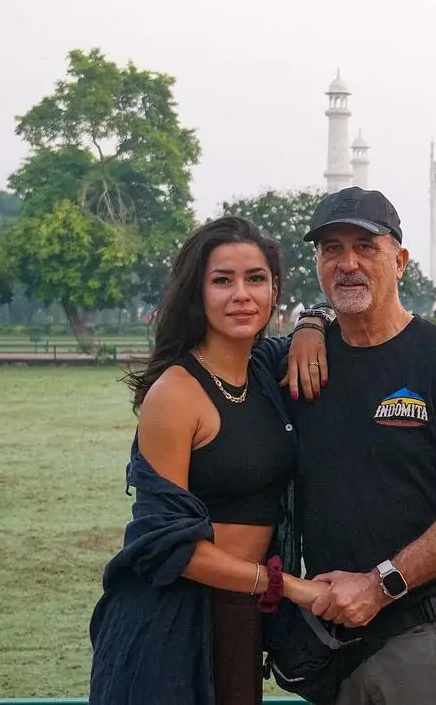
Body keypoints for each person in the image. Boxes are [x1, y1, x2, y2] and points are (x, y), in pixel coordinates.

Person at [258, 187, 436, 704]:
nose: (347, 263)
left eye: (365, 247)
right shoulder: (301, 364)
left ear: (399, 261)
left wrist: (380, 586)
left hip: (429, 632)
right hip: (337, 637)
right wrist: (312, 320)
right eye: (331, 249)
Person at [89, 217, 329, 705]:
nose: (241, 295)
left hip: (240, 615)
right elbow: (165, 545)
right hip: (171, 618)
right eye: (222, 280)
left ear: (274, 290)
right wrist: (286, 586)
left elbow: (327, 326)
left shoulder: (262, 368)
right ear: (197, 292)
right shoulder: (176, 393)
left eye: (255, 278)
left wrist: (312, 322)